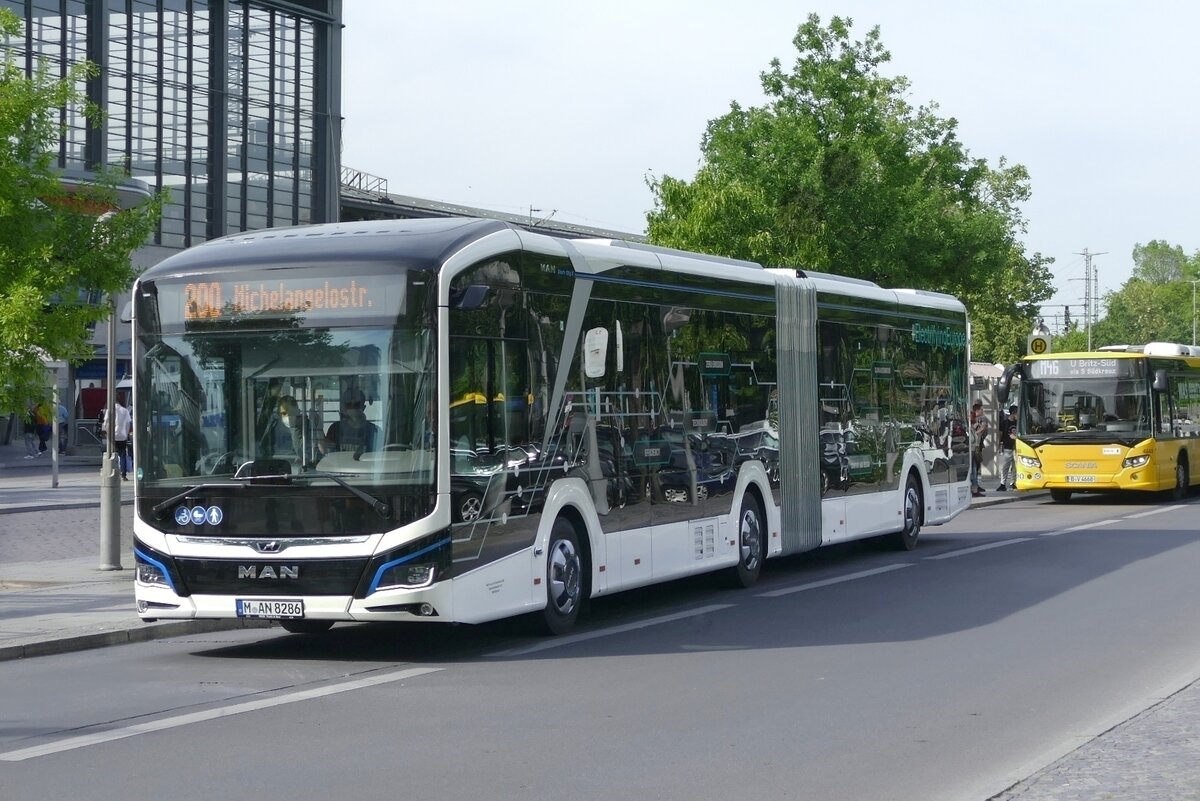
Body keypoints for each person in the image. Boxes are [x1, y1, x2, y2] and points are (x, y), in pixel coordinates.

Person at [322, 389, 379, 456]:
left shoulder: (373, 430)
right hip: (339, 466)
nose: (353, 408)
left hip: (366, 466)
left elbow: (380, 455)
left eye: (356, 405)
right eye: (349, 404)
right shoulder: (335, 428)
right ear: (344, 408)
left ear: (363, 407)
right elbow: (325, 451)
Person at [103, 395, 133, 480]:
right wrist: (126, 433)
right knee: (122, 454)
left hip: (112, 436)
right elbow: (128, 423)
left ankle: (111, 471)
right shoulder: (125, 411)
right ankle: (123, 474)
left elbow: (105, 423)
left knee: (111, 453)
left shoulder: (110, 411)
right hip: (122, 435)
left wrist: (107, 433)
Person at [970, 400, 989, 497]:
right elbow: (973, 435)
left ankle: (975, 486)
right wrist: (977, 432)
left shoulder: (980, 419)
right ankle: (974, 488)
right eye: (981, 409)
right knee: (973, 468)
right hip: (973, 448)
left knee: (975, 468)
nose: (982, 411)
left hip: (976, 447)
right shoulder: (972, 421)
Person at [997, 405, 1017, 491]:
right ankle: (1002, 483)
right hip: (1007, 447)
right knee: (1005, 466)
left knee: (1015, 466)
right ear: (1013, 413)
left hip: (1016, 447)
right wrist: (999, 445)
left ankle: (1013, 483)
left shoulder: (1018, 423)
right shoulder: (1004, 423)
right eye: (1017, 412)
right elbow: (1000, 435)